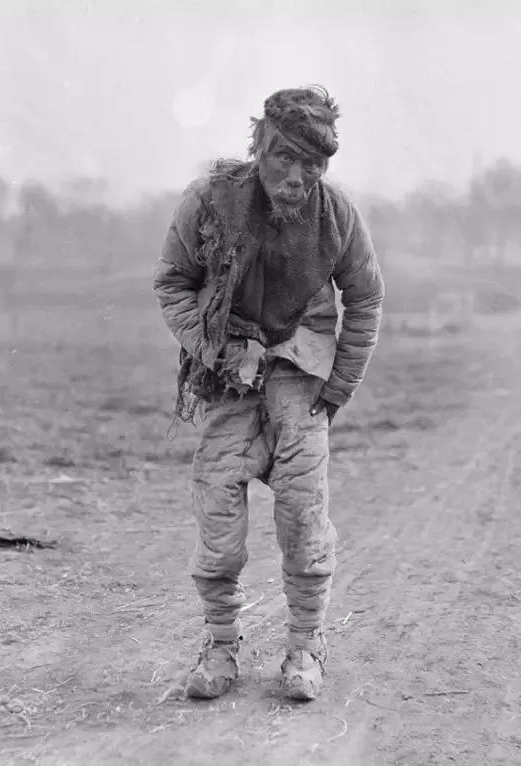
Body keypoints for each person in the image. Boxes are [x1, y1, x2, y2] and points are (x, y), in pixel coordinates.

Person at [153, 86, 384, 701]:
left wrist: (340, 385)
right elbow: (173, 282)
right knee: (217, 509)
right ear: (259, 147)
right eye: (284, 156)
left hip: (302, 379)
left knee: (304, 516)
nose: (296, 175)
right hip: (230, 379)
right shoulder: (209, 201)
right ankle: (220, 645)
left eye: (312, 163)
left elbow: (365, 297)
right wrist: (214, 349)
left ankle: (306, 647)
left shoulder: (337, 215)